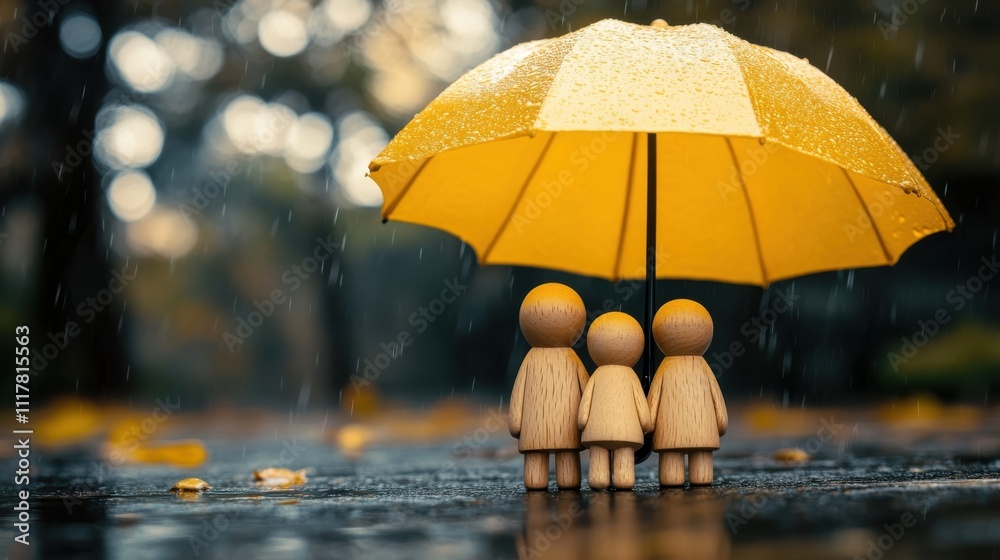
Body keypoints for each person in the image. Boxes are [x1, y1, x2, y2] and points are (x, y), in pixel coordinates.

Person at [509, 283, 590, 490]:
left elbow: (588, 390)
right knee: (566, 468)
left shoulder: (534, 359)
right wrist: (588, 419)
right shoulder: (569, 359)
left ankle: (545, 480)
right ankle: (562, 480)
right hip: (563, 428)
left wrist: (516, 421)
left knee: (548, 468)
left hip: (541, 427)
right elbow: (589, 390)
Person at [648, 299, 728, 486]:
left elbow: (654, 399)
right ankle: (698, 477)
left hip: (670, 431)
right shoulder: (702, 368)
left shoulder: (665, 368)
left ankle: (672, 478)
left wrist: (649, 422)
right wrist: (721, 422)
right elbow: (717, 398)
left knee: (671, 473)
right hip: (702, 430)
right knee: (701, 472)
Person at [578, 312, 652, 490]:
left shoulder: (597, 375)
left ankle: (600, 477)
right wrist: (646, 422)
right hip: (627, 430)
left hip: (597, 428)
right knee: (623, 458)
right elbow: (640, 403)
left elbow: (586, 401)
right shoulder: (629, 376)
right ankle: (622, 477)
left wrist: (582, 420)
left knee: (600, 459)